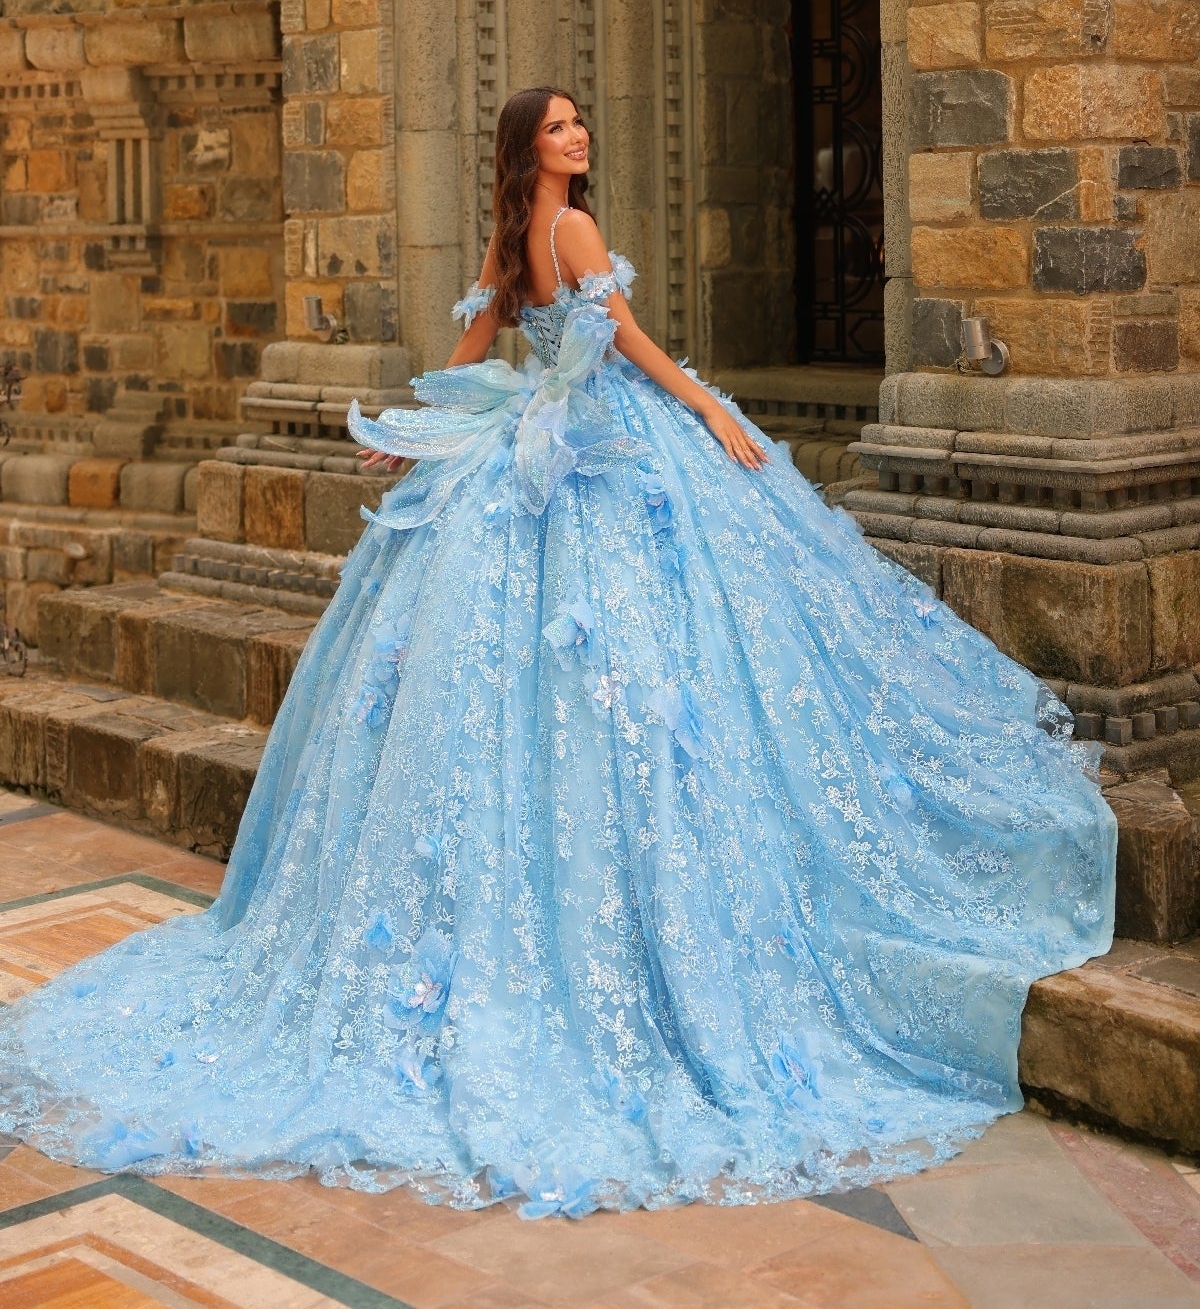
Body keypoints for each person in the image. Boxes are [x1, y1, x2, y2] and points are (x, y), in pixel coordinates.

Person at [0, 86, 1115, 1217]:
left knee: (539, 686)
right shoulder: (572, 228)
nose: (580, 138)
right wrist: (712, 413)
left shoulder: (506, 236)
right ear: (529, 150)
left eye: (583, 122)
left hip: (539, 454)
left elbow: (477, 350)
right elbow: (625, 344)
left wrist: (422, 431)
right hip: (604, 448)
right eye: (559, 128)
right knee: (666, 669)